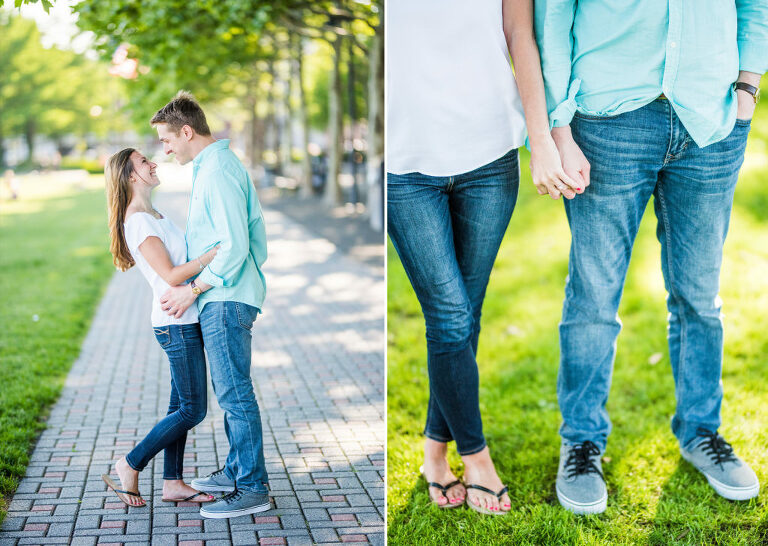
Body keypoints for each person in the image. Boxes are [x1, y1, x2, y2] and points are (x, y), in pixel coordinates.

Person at [535, 0, 767, 515]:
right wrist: (559, 124)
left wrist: (747, 90)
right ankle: (582, 442)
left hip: (710, 121)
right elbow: (552, 16)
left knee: (699, 297)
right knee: (593, 295)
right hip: (606, 121)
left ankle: (701, 431)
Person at [387, 0, 582, 516]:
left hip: (489, 159)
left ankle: (434, 453)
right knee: (450, 318)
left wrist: (541, 142)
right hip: (405, 169)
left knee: (462, 318)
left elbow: (521, 36)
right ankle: (476, 459)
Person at [151, 91, 271, 519]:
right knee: (229, 392)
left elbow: (234, 245)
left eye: (166, 140)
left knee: (235, 394)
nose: (163, 149)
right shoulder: (211, 166)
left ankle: (253, 486)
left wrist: (193, 289)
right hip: (223, 295)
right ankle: (238, 470)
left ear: (187, 131)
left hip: (226, 296)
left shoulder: (217, 169)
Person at [102, 148, 218, 507]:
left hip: (184, 319)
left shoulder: (154, 213)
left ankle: (173, 483)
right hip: (174, 323)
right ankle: (129, 463)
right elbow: (170, 275)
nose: (153, 164)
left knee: (178, 407)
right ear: (130, 176)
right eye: (143, 162)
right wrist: (214, 256)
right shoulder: (137, 220)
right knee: (192, 410)